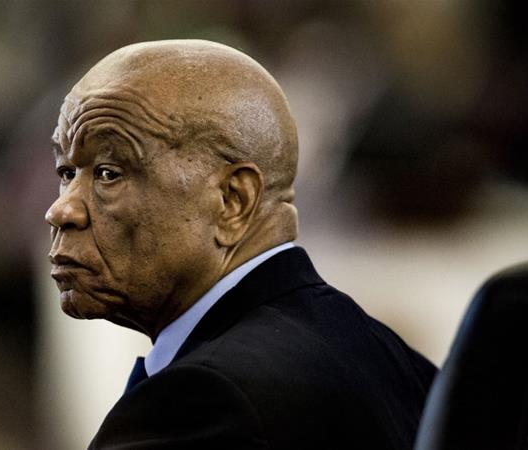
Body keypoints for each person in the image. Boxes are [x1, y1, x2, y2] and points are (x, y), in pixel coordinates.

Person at [45, 39, 436, 450]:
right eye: (67, 172)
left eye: (109, 173)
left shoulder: (201, 403)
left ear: (233, 201)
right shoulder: (398, 362)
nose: (61, 210)